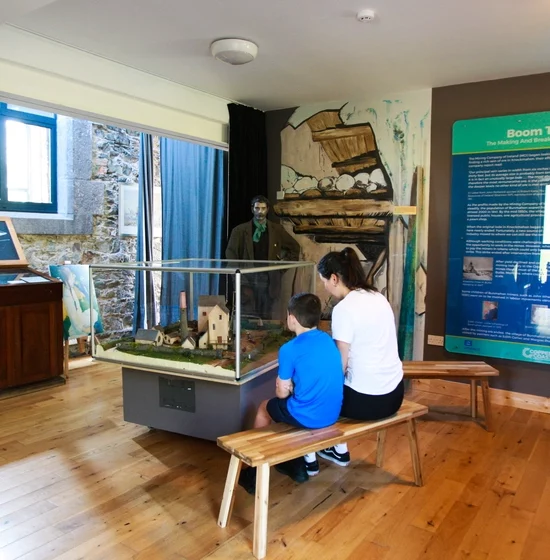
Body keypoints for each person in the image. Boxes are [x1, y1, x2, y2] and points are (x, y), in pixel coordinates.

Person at [238, 292, 344, 494]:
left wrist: (285, 388)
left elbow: (281, 394)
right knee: (285, 410)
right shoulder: (327, 340)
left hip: (309, 416)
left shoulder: (289, 349)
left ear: (292, 318)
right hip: (332, 413)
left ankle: (252, 473)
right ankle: (294, 465)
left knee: (264, 409)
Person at [315, 247, 404, 468]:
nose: (324, 287)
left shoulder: (344, 309)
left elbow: (340, 366)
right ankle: (338, 447)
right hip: (395, 395)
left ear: (334, 279)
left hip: (368, 402)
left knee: (312, 389)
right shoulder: (378, 297)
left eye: (324, 281)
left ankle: (323, 449)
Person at [225, 195, 300, 318]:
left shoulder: (277, 230)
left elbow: (294, 248)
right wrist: (239, 279)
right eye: (257, 208)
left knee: (266, 316)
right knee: (247, 315)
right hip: (247, 278)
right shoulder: (239, 231)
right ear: (252, 209)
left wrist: (281, 269)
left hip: (269, 280)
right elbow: (231, 256)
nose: (260, 212)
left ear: (268, 209)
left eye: (263, 208)